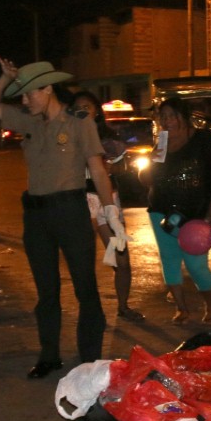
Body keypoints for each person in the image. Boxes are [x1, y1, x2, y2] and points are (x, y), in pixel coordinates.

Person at [0, 59, 120, 379]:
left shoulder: (79, 121)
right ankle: (49, 354)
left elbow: (97, 169)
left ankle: (90, 357)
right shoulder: (29, 120)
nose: (24, 100)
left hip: (70, 211)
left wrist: (110, 211)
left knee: (85, 287)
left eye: (29, 93)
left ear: (47, 89)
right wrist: (5, 78)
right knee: (46, 291)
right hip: (36, 215)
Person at [143, 97, 211, 325]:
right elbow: (148, 179)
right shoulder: (161, 143)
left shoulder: (202, 139)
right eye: (163, 117)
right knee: (169, 261)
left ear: (184, 116)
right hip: (161, 211)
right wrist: (152, 161)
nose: (167, 121)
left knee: (196, 264)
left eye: (172, 115)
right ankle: (181, 309)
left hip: (195, 213)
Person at [72, 90, 144, 322]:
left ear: (96, 111)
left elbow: (123, 168)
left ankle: (123, 307)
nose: (82, 111)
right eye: (78, 107)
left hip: (108, 201)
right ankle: (89, 311)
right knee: (83, 258)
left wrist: (114, 168)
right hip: (81, 200)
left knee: (121, 257)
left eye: (87, 107)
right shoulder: (67, 137)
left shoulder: (109, 139)